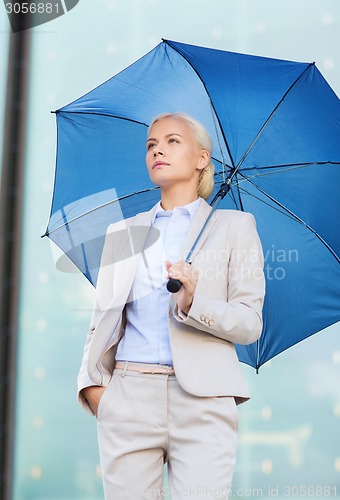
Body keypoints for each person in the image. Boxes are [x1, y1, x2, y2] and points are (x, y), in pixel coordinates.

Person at [77, 112, 265, 500]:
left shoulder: (235, 226)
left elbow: (249, 324)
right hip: (128, 397)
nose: (157, 149)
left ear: (201, 159)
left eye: (172, 141)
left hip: (203, 401)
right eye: (151, 145)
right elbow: (102, 321)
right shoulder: (123, 232)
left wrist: (195, 301)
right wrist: (93, 387)